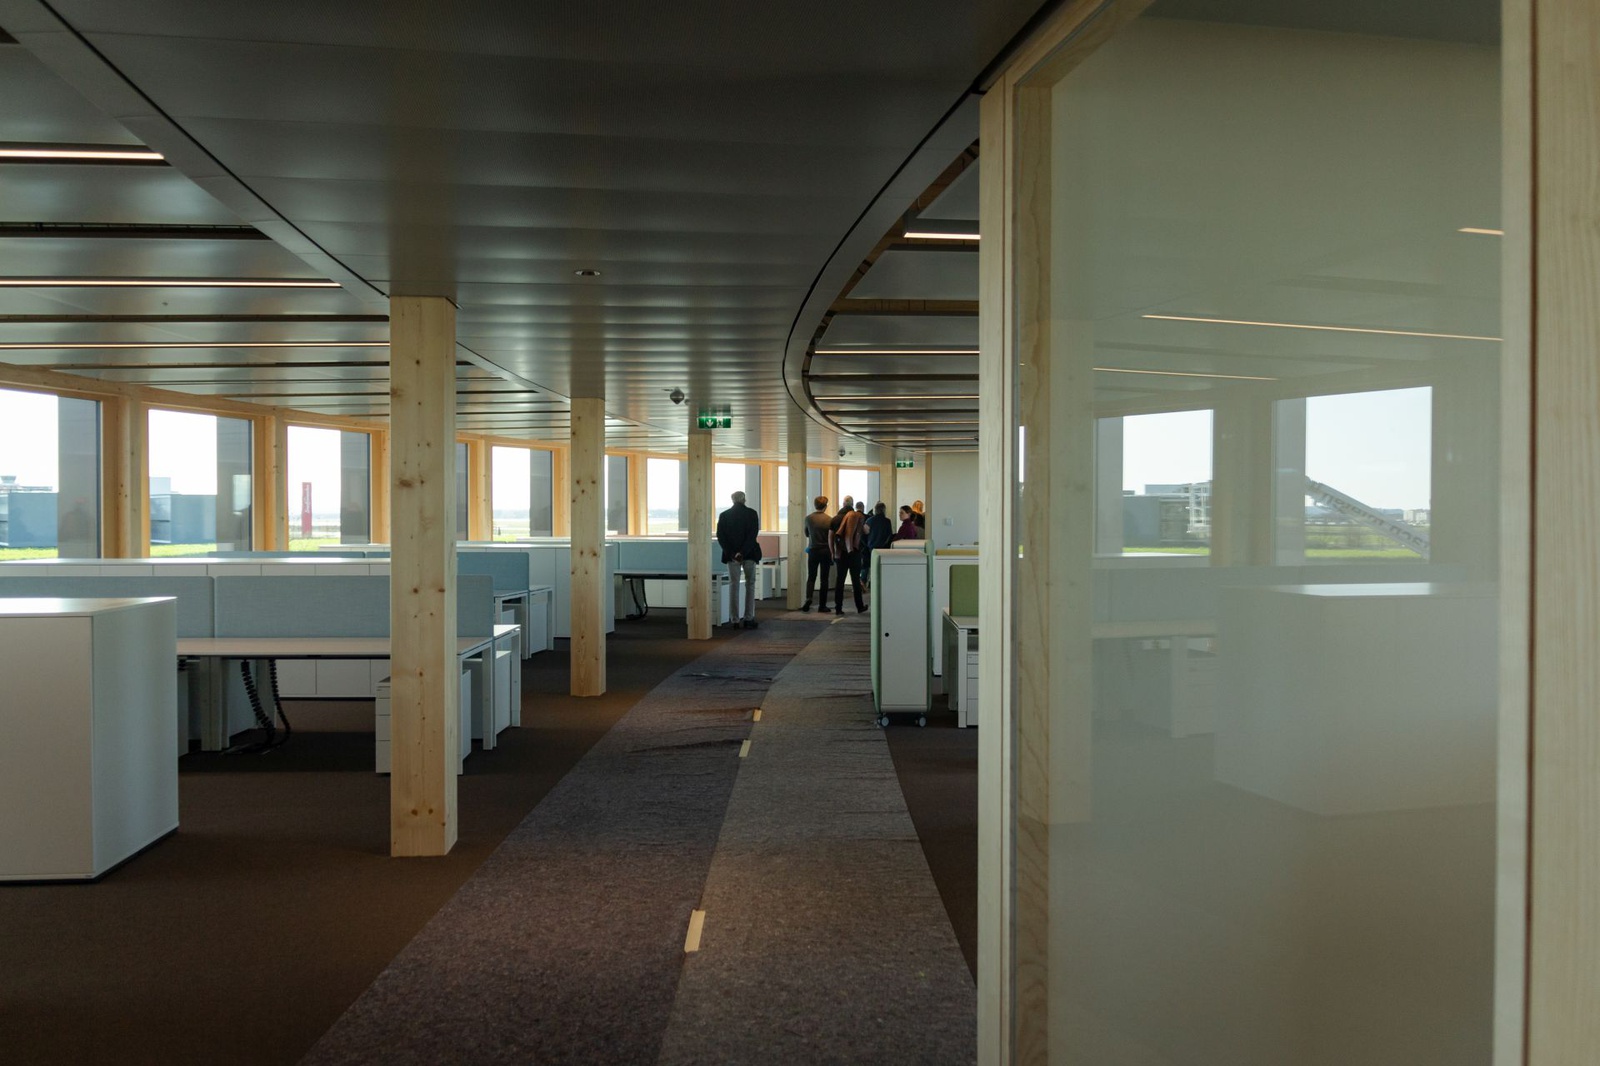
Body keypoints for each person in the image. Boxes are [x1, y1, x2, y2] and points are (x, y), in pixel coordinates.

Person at [715, 489, 762, 629]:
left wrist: (733, 554)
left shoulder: (724, 515)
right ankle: (748, 618)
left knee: (733, 585)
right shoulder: (752, 514)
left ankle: (734, 619)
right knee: (750, 585)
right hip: (749, 554)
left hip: (731, 557)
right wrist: (742, 552)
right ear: (744, 499)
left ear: (732, 500)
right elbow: (752, 536)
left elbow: (721, 537)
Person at [831, 496, 867, 614]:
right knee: (855, 580)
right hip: (854, 553)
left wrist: (832, 552)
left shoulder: (835, 519)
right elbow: (865, 531)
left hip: (840, 554)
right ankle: (859, 606)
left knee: (840, 581)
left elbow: (830, 537)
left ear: (843, 504)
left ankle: (838, 608)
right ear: (852, 505)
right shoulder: (857, 517)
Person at [801, 495, 834, 612]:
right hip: (825, 551)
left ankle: (808, 598)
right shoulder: (830, 520)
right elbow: (831, 536)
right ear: (825, 506)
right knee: (824, 579)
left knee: (811, 576)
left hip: (813, 550)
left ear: (815, 505)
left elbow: (806, 534)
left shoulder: (808, 518)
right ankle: (822, 605)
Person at [862, 502, 893, 586]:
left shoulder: (870, 520)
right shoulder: (887, 521)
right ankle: (880, 584)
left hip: (872, 547)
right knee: (881, 567)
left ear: (875, 510)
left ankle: (870, 583)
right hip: (884, 548)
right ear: (884, 510)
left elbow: (865, 533)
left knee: (871, 566)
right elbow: (889, 534)